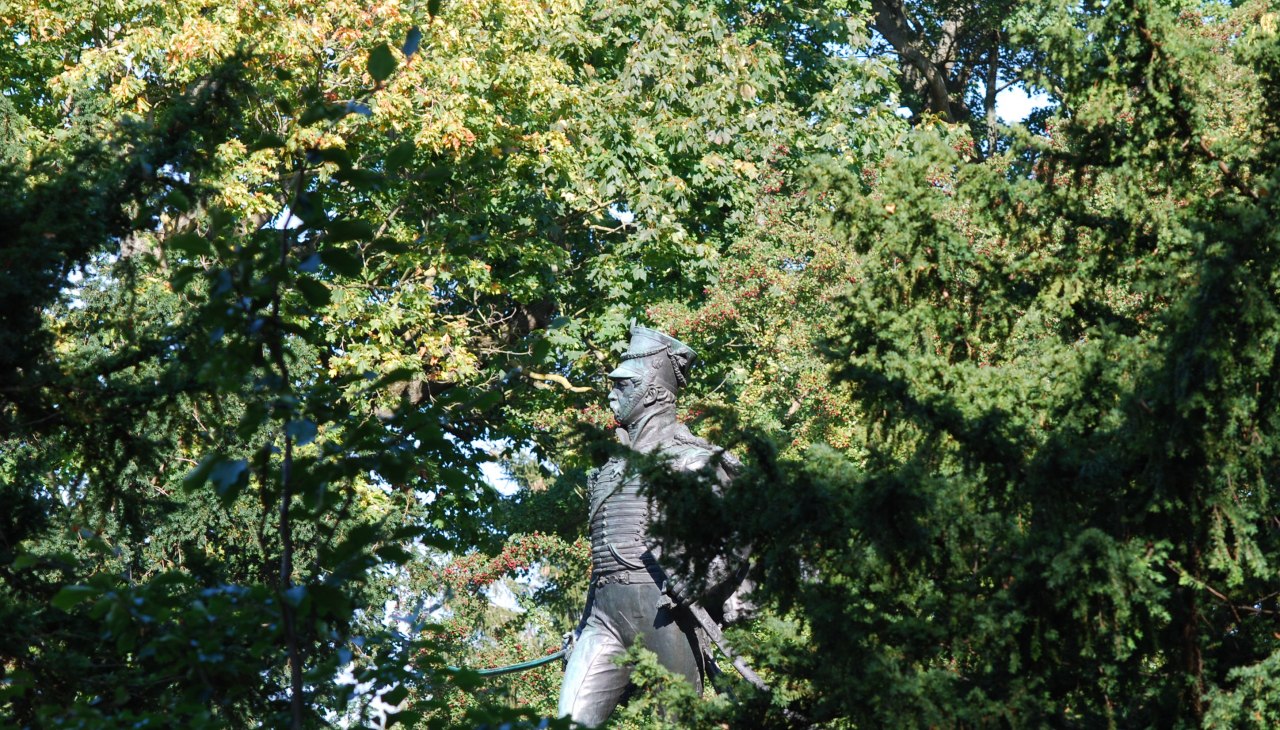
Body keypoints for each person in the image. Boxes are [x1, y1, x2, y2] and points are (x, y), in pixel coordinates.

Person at [557, 325, 745, 726]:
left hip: (664, 613)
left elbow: (742, 533)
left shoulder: (695, 462)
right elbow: (602, 560)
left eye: (624, 386)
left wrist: (699, 580)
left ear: (656, 393)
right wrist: (581, 625)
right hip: (604, 616)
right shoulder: (608, 470)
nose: (612, 394)